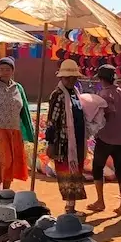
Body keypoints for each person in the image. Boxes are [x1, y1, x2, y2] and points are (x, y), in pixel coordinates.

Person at [0, 57, 35, 190]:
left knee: (12, 162)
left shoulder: (18, 88)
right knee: (3, 161)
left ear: (12, 71)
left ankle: (6, 190)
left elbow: (25, 110)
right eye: (1, 69)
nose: (4, 72)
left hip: (14, 131)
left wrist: (30, 132)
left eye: (7, 69)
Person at [45, 58, 87, 213]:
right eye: (67, 78)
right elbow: (52, 121)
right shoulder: (58, 95)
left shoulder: (75, 94)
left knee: (76, 173)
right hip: (63, 144)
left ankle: (72, 206)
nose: (70, 80)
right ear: (61, 78)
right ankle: (69, 207)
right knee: (66, 174)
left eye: (73, 78)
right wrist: (50, 143)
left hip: (77, 142)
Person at [91, 64, 121, 216]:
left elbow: (105, 116)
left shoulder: (103, 95)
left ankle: (100, 200)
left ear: (102, 79)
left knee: (97, 167)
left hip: (105, 137)